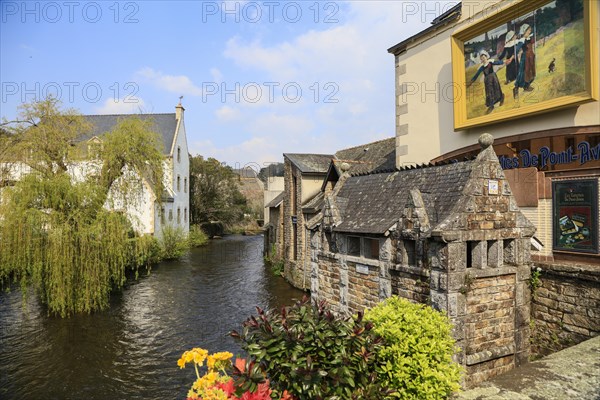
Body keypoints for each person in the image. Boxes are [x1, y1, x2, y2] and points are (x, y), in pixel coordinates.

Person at [467, 50, 505, 115]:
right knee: (489, 92)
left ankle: (501, 98)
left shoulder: (490, 62)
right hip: (487, 80)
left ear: (486, 57)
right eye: (481, 58)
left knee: (496, 89)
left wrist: (504, 61)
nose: (483, 59)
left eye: (484, 57)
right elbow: (476, 75)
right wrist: (471, 82)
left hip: (493, 78)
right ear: (481, 60)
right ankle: (491, 105)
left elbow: (498, 62)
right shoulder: (482, 67)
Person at [513, 23, 536, 99]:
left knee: (530, 72)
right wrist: (514, 55)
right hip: (525, 58)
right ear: (524, 31)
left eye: (530, 30)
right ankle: (516, 88)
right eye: (528, 30)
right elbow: (517, 49)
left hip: (530, 57)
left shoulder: (529, 37)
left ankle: (526, 87)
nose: (530, 31)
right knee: (522, 74)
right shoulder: (522, 40)